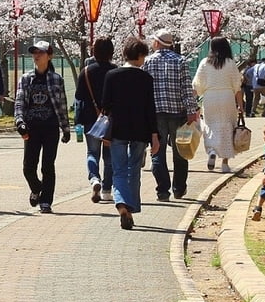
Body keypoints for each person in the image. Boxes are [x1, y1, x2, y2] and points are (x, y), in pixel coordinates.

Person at [101, 37, 161, 230]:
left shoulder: (111, 75)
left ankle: (121, 204)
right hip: (140, 131)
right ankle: (131, 207)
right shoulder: (146, 79)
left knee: (118, 170)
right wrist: (154, 135)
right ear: (141, 55)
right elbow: (150, 109)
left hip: (117, 129)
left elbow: (105, 105)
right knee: (134, 169)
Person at [14, 40, 70, 213]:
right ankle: (37, 188)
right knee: (28, 167)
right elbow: (19, 102)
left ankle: (46, 201)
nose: (36, 56)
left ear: (49, 56)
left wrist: (65, 129)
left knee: (47, 165)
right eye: (34, 53)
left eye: (41, 53)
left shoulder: (56, 79)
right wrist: (20, 122)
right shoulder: (26, 78)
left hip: (50, 127)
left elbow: (61, 105)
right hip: (32, 127)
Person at [144, 29, 197, 201]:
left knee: (157, 152)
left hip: (155, 113)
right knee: (180, 151)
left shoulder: (148, 62)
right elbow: (187, 89)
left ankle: (163, 190)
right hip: (178, 112)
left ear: (157, 43)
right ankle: (179, 189)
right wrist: (191, 111)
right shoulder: (181, 61)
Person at [193, 37, 244, 174]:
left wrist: (192, 102)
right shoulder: (230, 63)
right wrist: (241, 106)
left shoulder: (205, 63)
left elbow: (197, 85)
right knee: (228, 128)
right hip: (227, 97)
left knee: (210, 126)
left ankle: (211, 151)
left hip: (210, 98)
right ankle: (225, 164)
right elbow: (237, 87)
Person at [76, 36, 116, 203]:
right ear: (111, 52)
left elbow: (79, 96)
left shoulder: (86, 72)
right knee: (109, 156)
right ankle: (107, 190)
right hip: (111, 119)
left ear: (94, 51)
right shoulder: (115, 71)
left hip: (90, 118)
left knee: (92, 152)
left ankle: (94, 179)